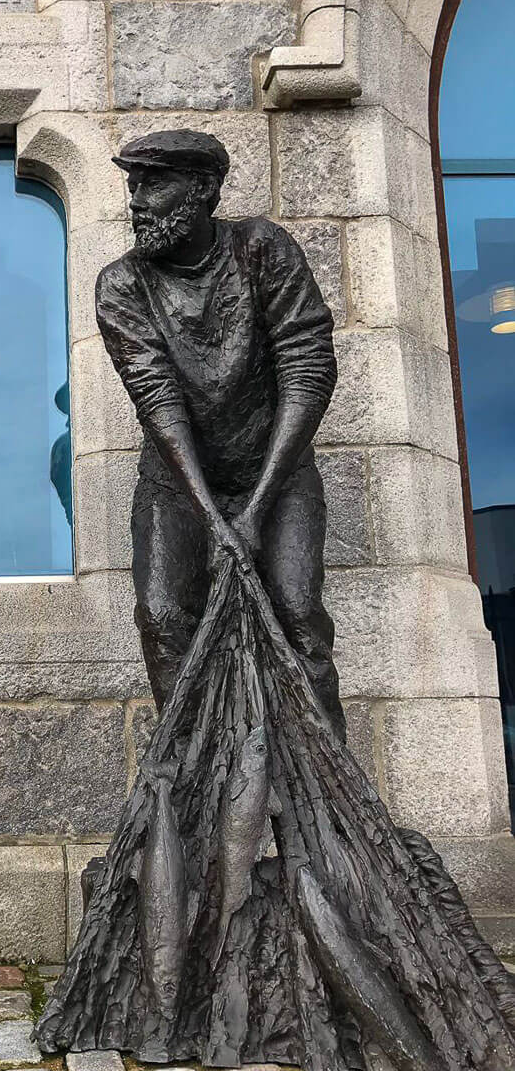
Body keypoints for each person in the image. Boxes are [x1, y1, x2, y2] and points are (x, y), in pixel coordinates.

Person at [96, 129, 345, 736]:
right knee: (163, 621)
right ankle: (191, 794)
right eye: (134, 184)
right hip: (178, 485)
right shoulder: (123, 285)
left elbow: (307, 366)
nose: (138, 201)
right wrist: (214, 520)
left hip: (276, 474)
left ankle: (333, 807)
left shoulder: (263, 250)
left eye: (154, 183)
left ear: (204, 189)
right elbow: (157, 400)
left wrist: (255, 511)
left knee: (298, 616)